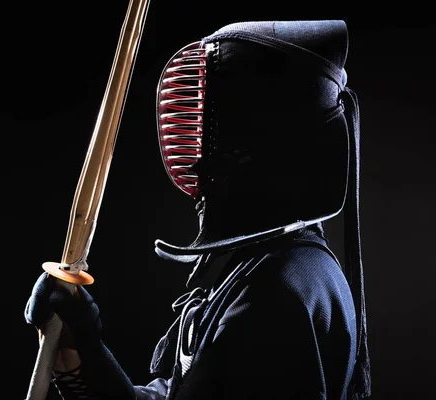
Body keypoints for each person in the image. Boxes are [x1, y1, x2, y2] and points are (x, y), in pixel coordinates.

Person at [25, 20, 371, 400]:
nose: (196, 164)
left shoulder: (283, 292)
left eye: (214, 133)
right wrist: (79, 356)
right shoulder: (260, 268)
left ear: (262, 146)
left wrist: (88, 355)